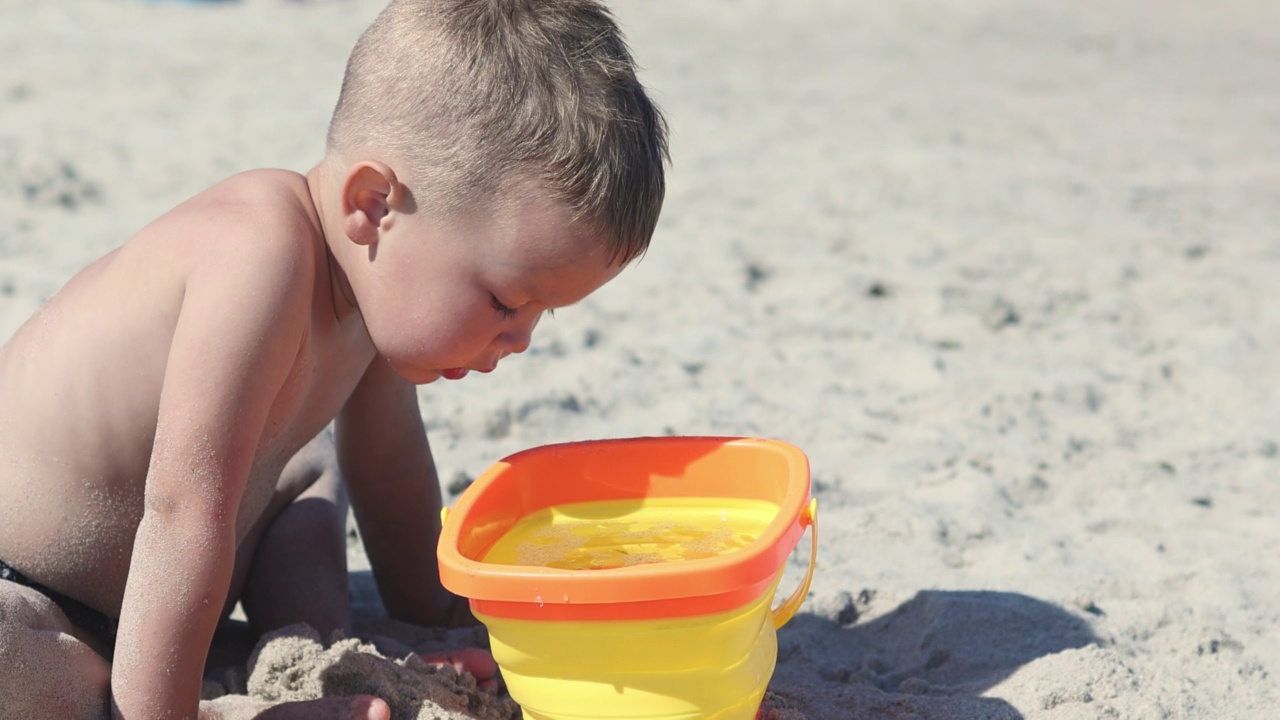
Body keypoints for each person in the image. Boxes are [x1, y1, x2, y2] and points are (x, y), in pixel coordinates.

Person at [0, 0, 668, 717]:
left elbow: (389, 472)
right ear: (375, 205)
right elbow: (182, 512)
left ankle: (303, 654)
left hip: (149, 603)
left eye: (545, 311)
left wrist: (436, 618)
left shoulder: (367, 298)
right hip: (30, 584)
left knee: (309, 472)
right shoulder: (258, 254)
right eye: (507, 301)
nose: (522, 338)